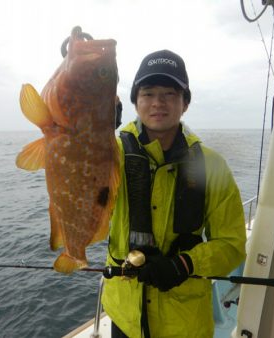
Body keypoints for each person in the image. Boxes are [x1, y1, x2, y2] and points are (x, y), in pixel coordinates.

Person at [101, 49, 247, 338]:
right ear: (134, 101)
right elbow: (78, 188)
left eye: (169, 93)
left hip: (185, 324)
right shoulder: (111, 156)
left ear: (186, 103)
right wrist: (96, 136)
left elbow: (232, 245)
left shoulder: (212, 165)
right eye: (148, 93)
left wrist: (185, 264)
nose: (158, 103)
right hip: (124, 316)